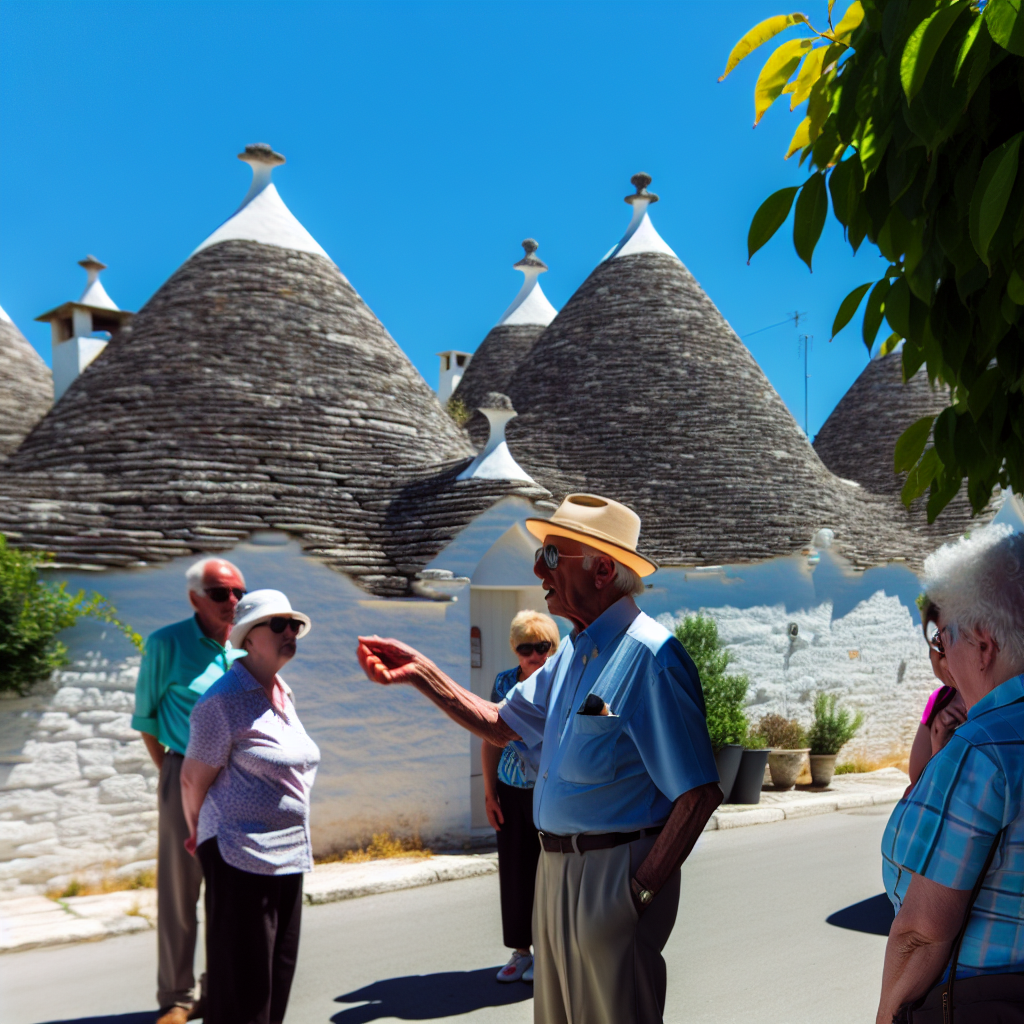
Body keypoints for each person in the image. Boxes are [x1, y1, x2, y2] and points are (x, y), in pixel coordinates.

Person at [358, 493, 722, 1024]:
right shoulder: (575, 651)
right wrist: (421, 672)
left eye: (552, 555)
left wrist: (636, 892)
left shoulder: (650, 657)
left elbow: (698, 794)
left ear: (601, 569)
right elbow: (501, 724)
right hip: (553, 875)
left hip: (611, 878)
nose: (536, 568)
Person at [877, 525, 1024, 1023]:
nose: (943, 658)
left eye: (945, 639)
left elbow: (921, 932)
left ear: (983, 645)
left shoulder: (984, 747)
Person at [181, 590, 320, 1024]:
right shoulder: (221, 701)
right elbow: (191, 779)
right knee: (245, 985)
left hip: (289, 852)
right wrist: (197, 834)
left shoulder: (284, 694)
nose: (289, 632)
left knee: (278, 974)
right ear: (249, 636)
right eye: (277, 624)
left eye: (293, 625)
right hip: (239, 852)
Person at [131, 557, 248, 1024]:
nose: (233, 602)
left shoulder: (246, 645)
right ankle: (177, 997)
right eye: (221, 593)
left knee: (233, 889)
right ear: (194, 597)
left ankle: (217, 988)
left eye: (239, 591)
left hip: (241, 781)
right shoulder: (166, 644)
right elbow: (148, 719)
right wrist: (175, 775)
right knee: (181, 892)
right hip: (185, 775)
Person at [484, 609, 560, 984]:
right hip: (511, 791)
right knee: (516, 872)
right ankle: (521, 952)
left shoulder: (561, 680)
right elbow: (490, 738)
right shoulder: (503, 683)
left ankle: (549, 952)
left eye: (542, 646)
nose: (534, 655)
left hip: (550, 791)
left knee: (552, 873)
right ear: (515, 649)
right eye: (526, 648)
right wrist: (489, 793)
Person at [907, 600, 967, 786]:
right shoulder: (941, 700)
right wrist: (938, 746)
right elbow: (917, 780)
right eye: (935, 641)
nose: (941, 655)